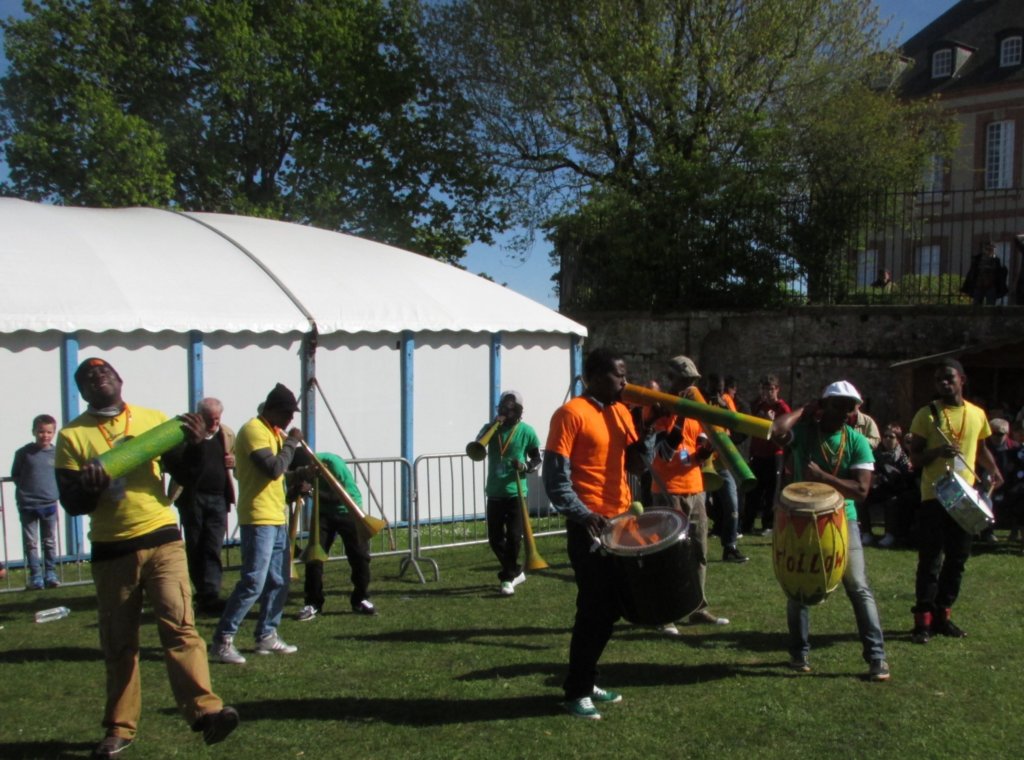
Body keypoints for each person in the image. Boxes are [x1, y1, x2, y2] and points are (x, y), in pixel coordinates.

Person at [54, 358, 239, 758]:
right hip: (112, 548)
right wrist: (89, 488)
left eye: (104, 371)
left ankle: (206, 712)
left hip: (162, 538)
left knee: (181, 627)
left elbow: (185, 474)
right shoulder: (71, 436)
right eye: (87, 375)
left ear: (120, 380)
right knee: (120, 643)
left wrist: (194, 446)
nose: (97, 376)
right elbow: (71, 503)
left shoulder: (153, 420)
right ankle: (119, 729)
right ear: (82, 392)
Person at [543, 347, 653, 720]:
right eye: (618, 374)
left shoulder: (622, 412)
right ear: (593, 376)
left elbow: (638, 466)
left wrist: (653, 427)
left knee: (611, 611)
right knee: (594, 609)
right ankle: (576, 690)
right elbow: (555, 479)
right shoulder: (571, 413)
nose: (625, 381)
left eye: (625, 374)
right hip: (590, 528)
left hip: (621, 524)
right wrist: (583, 514)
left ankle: (587, 681)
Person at [770, 380, 890, 682]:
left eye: (849, 407)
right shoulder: (805, 433)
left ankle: (876, 657)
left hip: (840, 519)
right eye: (837, 405)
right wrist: (802, 411)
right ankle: (799, 654)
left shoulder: (857, 442)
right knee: (797, 587)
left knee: (858, 587)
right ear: (823, 405)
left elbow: (861, 490)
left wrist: (823, 477)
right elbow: (776, 430)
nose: (844, 412)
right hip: (799, 519)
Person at [908, 359, 1002, 643]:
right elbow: (914, 458)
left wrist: (993, 470)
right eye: (938, 380)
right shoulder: (927, 414)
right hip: (935, 496)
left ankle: (942, 615)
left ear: (962, 379)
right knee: (931, 559)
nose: (943, 383)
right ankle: (922, 620)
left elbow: (981, 447)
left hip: (965, 499)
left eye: (949, 378)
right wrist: (937, 453)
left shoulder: (977, 414)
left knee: (958, 559)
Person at [213, 383, 302, 664]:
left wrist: (300, 472)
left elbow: (278, 473)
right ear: (272, 410)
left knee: (278, 580)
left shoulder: (273, 432)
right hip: (258, 518)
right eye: (287, 413)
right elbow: (273, 468)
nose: (290, 420)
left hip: (276, 516)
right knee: (253, 581)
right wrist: (292, 443)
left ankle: (267, 634)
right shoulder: (253, 430)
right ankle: (222, 639)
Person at [649, 356, 731, 636]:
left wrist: (705, 452)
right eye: (684, 382)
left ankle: (697, 607)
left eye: (692, 382)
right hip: (667, 490)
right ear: (671, 380)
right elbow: (665, 450)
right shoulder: (657, 409)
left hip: (694, 489)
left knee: (699, 551)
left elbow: (695, 449)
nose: (689, 387)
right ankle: (665, 613)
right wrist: (682, 413)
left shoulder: (696, 412)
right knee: (668, 554)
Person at [164, 398, 235, 614]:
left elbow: (235, 458)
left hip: (219, 498)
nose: (214, 423)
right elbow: (176, 463)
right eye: (210, 419)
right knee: (196, 546)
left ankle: (210, 594)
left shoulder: (226, 434)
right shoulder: (185, 434)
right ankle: (202, 592)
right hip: (192, 498)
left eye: (217, 418)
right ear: (200, 416)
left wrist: (233, 461)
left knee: (213, 546)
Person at [291, 447, 378, 620]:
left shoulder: (332, 463)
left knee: (359, 556)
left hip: (349, 509)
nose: (304, 474)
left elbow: (339, 496)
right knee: (314, 557)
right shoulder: (301, 471)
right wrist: (297, 490)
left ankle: (361, 599)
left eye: (304, 471)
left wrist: (310, 491)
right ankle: (313, 602)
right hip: (323, 513)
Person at [477, 391, 542, 595]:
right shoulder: (491, 428)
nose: (506, 411)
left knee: (514, 537)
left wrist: (523, 466)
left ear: (519, 411)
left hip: (516, 493)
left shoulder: (527, 431)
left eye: (511, 408)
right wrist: (491, 428)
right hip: (495, 492)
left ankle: (507, 578)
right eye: (503, 407)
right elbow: (477, 447)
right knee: (495, 539)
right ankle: (514, 571)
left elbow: (536, 460)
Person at [701, 370, 748, 564]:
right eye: (714, 391)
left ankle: (730, 547)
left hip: (722, 460)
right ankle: (695, 547)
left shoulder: (726, 401)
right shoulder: (700, 400)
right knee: (700, 506)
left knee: (732, 504)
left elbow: (737, 424)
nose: (716, 394)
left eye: (720, 391)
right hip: (702, 460)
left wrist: (724, 407)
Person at [11, 414, 61, 589]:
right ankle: (36, 576)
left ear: (54, 433)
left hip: (49, 504)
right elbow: (16, 475)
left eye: (49, 432)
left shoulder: (57, 453)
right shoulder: (24, 453)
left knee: (49, 541)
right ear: (34, 432)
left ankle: (51, 573)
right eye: (41, 431)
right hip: (28, 504)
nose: (44, 436)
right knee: (31, 543)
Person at [746, 374, 790, 535]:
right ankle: (747, 523)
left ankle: (768, 524)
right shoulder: (759, 406)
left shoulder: (782, 408)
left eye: (771, 389)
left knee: (772, 490)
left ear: (777, 390)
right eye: (765, 389)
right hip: (758, 453)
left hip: (774, 454)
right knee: (754, 490)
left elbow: (784, 432)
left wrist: (771, 423)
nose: (768, 393)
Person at [870, 424, 916, 549]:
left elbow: (907, 475)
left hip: (897, 489)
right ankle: (866, 532)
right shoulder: (876, 454)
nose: (887, 439)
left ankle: (890, 534)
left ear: (897, 440)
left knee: (892, 501)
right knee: (863, 496)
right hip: (879, 487)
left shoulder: (902, 455)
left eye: (891, 436)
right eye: (885, 436)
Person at [850, 403, 881, 543]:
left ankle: (866, 531)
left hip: (862, 465)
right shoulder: (844, 419)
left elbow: (875, 440)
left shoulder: (867, 421)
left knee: (861, 498)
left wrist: (857, 441)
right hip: (847, 464)